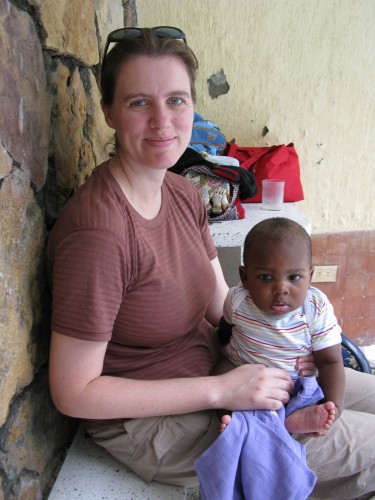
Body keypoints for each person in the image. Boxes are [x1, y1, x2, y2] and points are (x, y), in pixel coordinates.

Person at [47, 27, 375, 498]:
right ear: (109, 112)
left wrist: (286, 340)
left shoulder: (181, 193)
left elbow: (223, 307)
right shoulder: (99, 232)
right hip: (154, 418)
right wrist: (222, 392)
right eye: (140, 102)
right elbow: (73, 392)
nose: (164, 121)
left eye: (177, 101)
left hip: (223, 369)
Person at [217, 217, 344, 436]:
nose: (280, 289)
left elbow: (330, 361)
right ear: (245, 278)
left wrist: (333, 404)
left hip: (293, 385)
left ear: (310, 277)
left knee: (311, 390)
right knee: (220, 373)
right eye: (265, 277)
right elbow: (225, 329)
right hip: (243, 376)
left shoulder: (314, 308)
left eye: (294, 277)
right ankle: (236, 420)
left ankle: (300, 417)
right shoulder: (238, 300)